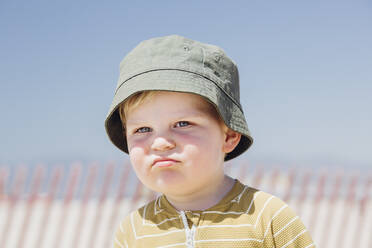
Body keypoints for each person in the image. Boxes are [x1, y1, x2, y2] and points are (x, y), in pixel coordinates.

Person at [105, 35, 315, 248]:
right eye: (142, 129)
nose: (160, 143)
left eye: (182, 123)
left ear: (229, 135)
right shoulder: (133, 232)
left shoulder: (268, 218)